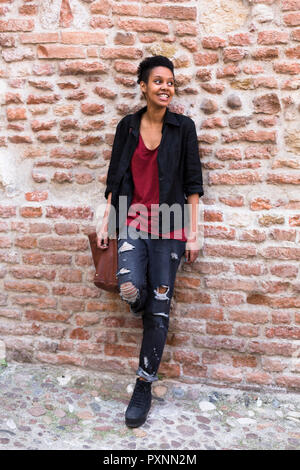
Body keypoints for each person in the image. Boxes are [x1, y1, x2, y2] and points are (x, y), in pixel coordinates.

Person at [97, 55, 204, 428]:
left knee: (160, 310)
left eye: (170, 82)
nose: (165, 87)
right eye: (157, 81)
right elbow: (114, 180)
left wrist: (195, 231)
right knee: (130, 287)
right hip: (132, 222)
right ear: (143, 86)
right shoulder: (127, 127)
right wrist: (105, 222)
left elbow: (193, 184)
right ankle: (142, 301)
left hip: (171, 226)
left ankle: (143, 384)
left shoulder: (183, 127)